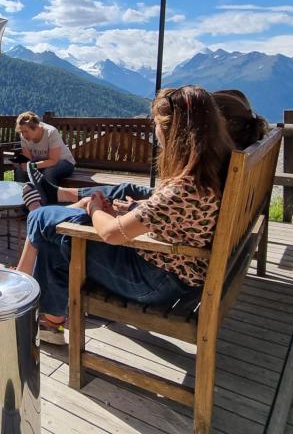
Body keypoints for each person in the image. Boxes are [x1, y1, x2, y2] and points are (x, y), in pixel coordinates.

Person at [16, 86, 235, 345]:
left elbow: (111, 233)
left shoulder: (185, 186)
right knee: (60, 231)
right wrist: (132, 210)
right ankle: (50, 321)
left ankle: (26, 281)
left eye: (156, 124)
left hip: (152, 281)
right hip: (174, 273)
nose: (154, 131)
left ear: (171, 131)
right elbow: (173, 217)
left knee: (45, 222)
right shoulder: (211, 171)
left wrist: (96, 209)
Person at [43, 88, 269, 208]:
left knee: (110, 199)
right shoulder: (230, 158)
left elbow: (178, 204)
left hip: (165, 254)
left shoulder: (202, 176)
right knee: (125, 189)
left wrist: (133, 210)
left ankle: (50, 207)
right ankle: (58, 195)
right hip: (183, 224)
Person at [14, 112, 75, 212]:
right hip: (41, 163)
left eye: (26, 131)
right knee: (20, 171)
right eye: (21, 132)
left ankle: (50, 207)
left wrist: (32, 165)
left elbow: (54, 160)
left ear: (36, 127)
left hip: (63, 162)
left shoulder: (51, 132)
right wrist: (23, 164)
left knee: (49, 173)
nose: (23, 135)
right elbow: (28, 158)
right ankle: (23, 206)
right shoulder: (24, 136)